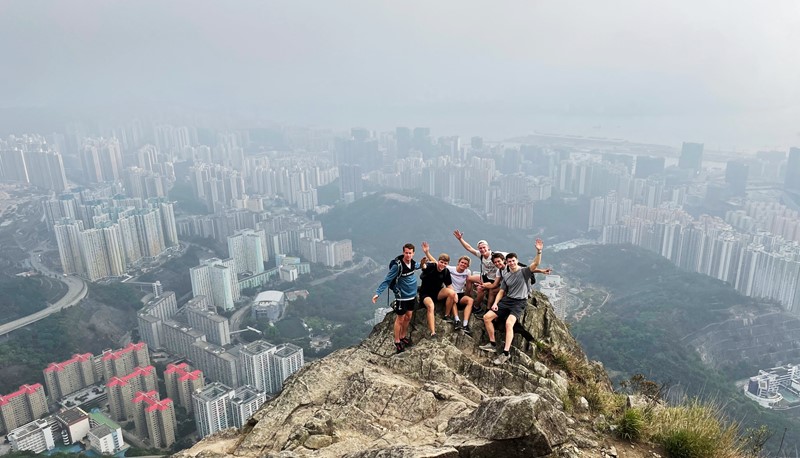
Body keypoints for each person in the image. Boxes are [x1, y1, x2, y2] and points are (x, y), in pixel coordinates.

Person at [479, 239, 545, 365]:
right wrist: (494, 304)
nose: (511, 263)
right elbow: (501, 291)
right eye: (509, 262)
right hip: (508, 300)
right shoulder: (506, 275)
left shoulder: (524, 271)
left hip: (519, 302)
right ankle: (492, 344)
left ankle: (505, 353)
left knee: (509, 324)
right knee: (487, 317)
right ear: (507, 263)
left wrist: (539, 251)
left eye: (513, 261)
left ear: (516, 260)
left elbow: (535, 264)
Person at [372, 242, 423, 353]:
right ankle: (397, 340)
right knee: (400, 318)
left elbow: (421, 265)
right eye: (406, 253)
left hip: (412, 295)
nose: (408, 255)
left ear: (413, 253)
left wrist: (428, 257)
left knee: (409, 316)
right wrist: (378, 293)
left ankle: (403, 336)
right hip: (402, 297)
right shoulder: (397, 266)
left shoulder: (413, 264)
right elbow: (387, 280)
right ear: (403, 252)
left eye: (410, 253)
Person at [453, 230, 506, 313]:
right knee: (469, 278)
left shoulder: (496, 255)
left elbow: (510, 256)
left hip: (495, 280)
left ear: (488, 247)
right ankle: (466, 297)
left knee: (480, 289)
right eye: (480, 248)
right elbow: (469, 248)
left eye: (484, 247)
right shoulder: (480, 255)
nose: (482, 249)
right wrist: (460, 239)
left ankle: (476, 306)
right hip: (485, 277)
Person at [419, 244, 456, 339]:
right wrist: (423, 262)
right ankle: (433, 333)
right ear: (438, 261)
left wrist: (454, 295)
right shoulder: (431, 266)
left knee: (451, 293)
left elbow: (449, 285)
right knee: (431, 306)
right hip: (425, 293)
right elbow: (424, 267)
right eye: (441, 262)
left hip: (438, 292)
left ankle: (446, 315)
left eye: (445, 263)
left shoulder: (446, 272)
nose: (443, 264)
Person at [445, 256, 475, 335]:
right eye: (462, 262)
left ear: (467, 266)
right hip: (451, 292)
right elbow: (438, 263)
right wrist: (427, 252)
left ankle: (465, 324)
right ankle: (457, 320)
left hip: (460, 293)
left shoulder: (467, 272)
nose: (463, 264)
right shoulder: (450, 269)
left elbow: (469, 284)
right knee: (453, 298)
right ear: (458, 262)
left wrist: (468, 293)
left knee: (470, 300)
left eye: (465, 264)